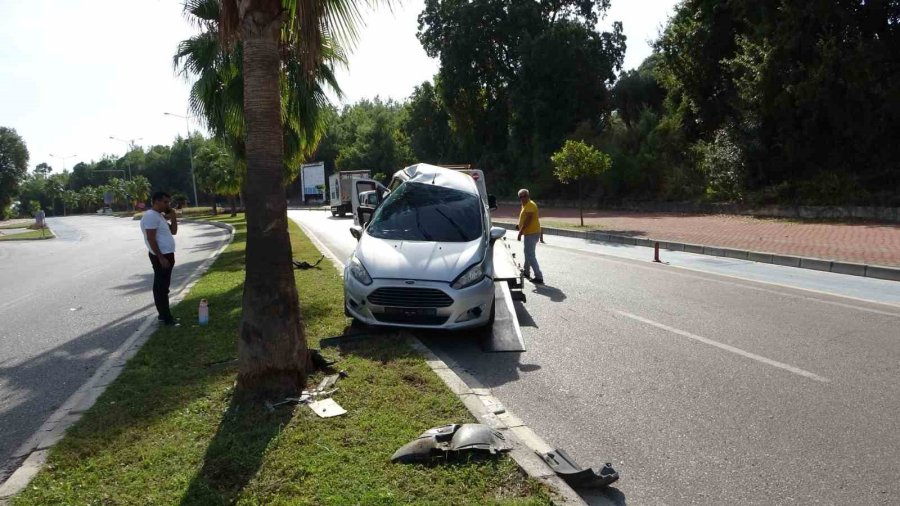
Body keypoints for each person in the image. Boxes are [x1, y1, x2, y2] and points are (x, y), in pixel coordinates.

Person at [141, 191, 179, 326]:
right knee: (161, 288)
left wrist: (173, 216)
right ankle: (166, 318)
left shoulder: (159, 216)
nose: (168, 205)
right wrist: (161, 258)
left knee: (163, 287)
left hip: (166, 254)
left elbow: (173, 231)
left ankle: (164, 315)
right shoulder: (151, 216)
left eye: (168, 202)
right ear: (156, 201)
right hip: (161, 256)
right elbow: (151, 239)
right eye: (165, 202)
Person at [516, 188, 544, 284]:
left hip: (532, 233)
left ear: (528, 196)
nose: (522, 198)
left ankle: (539, 276)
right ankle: (526, 272)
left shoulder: (530, 205)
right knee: (527, 253)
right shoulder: (525, 205)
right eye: (520, 197)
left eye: (524, 196)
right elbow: (524, 219)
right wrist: (519, 225)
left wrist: (520, 232)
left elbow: (528, 220)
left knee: (530, 255)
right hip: (530, 233)